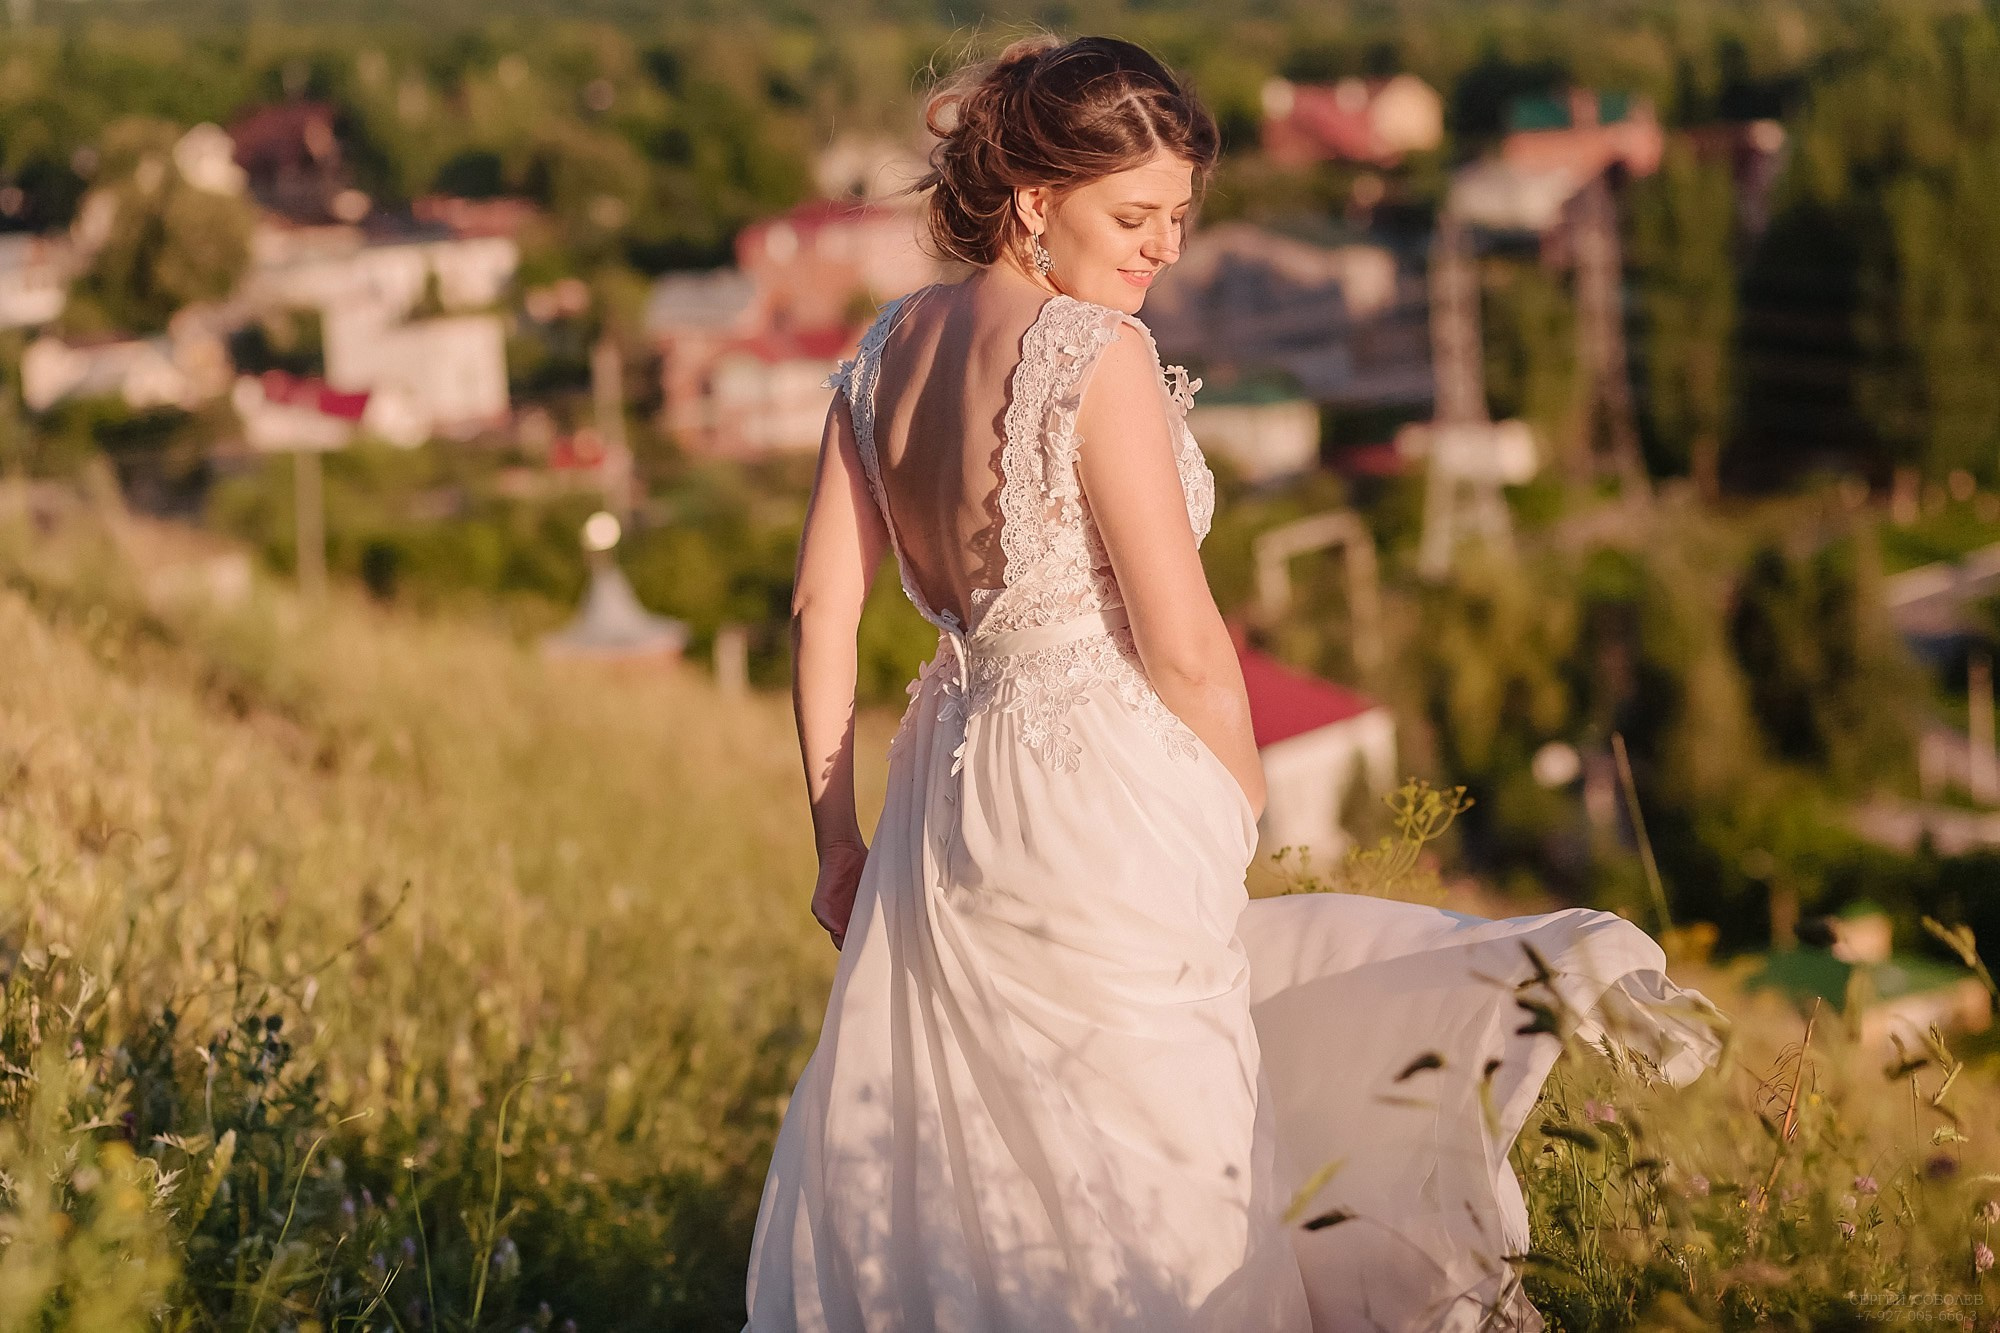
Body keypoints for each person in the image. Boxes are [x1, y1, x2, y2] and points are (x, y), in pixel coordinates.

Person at [745, 34, 1727, 1333]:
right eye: (1133, 215)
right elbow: (1189, 642)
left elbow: (824, 606)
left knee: (987, 1147)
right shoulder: (1090, 354)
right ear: (1036, 200)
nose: (1160, 247)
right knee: (1158, 1159)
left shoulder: (882, 355)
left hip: (949, 800)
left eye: (1178, 218)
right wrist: (1236, 801)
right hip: (1102, 795)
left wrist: (838, 841)